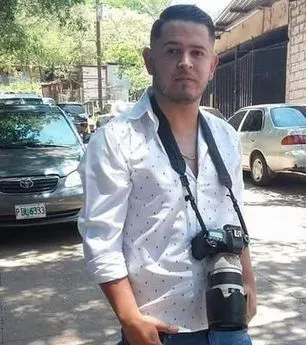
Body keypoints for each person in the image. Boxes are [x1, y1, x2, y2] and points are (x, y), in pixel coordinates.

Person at [78, 4, 257, 345]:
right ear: (149, 60)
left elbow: (237, 218)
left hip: (228, 321)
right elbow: (101, 240)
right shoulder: (116, 140)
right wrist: (130, 319)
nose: (185, 62)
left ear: (212, 65)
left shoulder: (226, 137)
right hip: (159, 329)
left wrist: (249, 280)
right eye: (173, 51)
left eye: (197, 52)